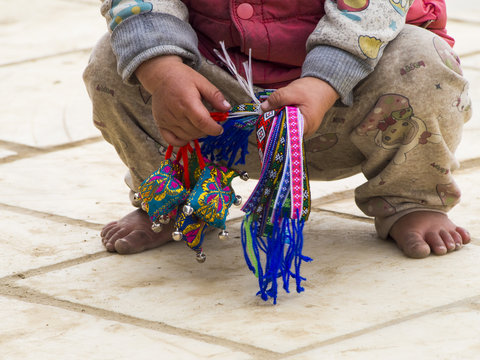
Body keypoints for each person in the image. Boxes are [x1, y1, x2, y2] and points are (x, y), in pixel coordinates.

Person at [84, 0, 472, 259]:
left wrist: (324, 83)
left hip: (352, 97)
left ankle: (410, 197)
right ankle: (173, 196)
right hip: (210, 109)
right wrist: (162, 69)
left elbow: (371, 13)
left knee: (424, 60)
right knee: (111, 60)